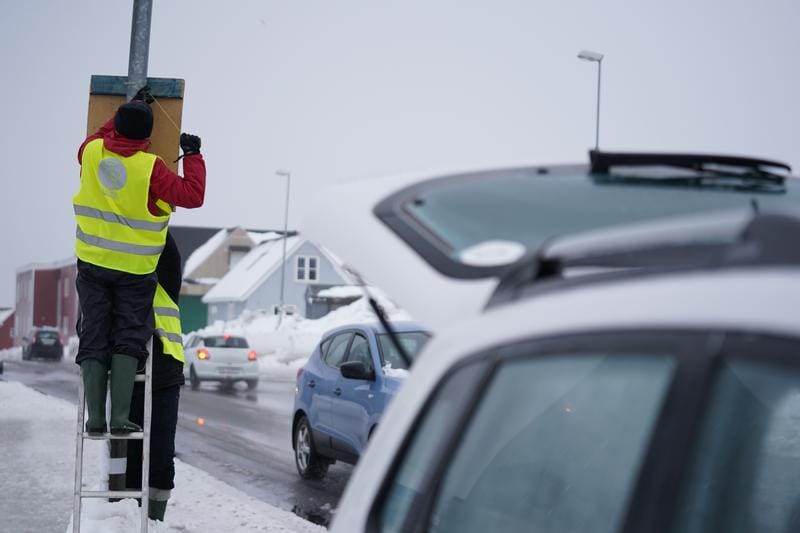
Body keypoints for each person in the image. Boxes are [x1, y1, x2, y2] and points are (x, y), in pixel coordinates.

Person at [74, 86, 205, 437]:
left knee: (94, 332)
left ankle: (95, 418)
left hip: (92, 264)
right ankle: (118, 418)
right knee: (128, 336)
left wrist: (131, 105)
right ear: (148, 135)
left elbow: (101, 134)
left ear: (116, 126)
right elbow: (193, 196)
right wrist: (192, 155)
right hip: (135, 271)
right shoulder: (152, 169)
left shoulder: (91, 152)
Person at [125, 231, 185, 521]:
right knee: (129, 455)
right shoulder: (116, 287)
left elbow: (168, 250)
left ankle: (154, 520)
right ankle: (126, 517)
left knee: (161, 455)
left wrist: (145, 210)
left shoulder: (166, 282)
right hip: (127, 379)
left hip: (164, 375)